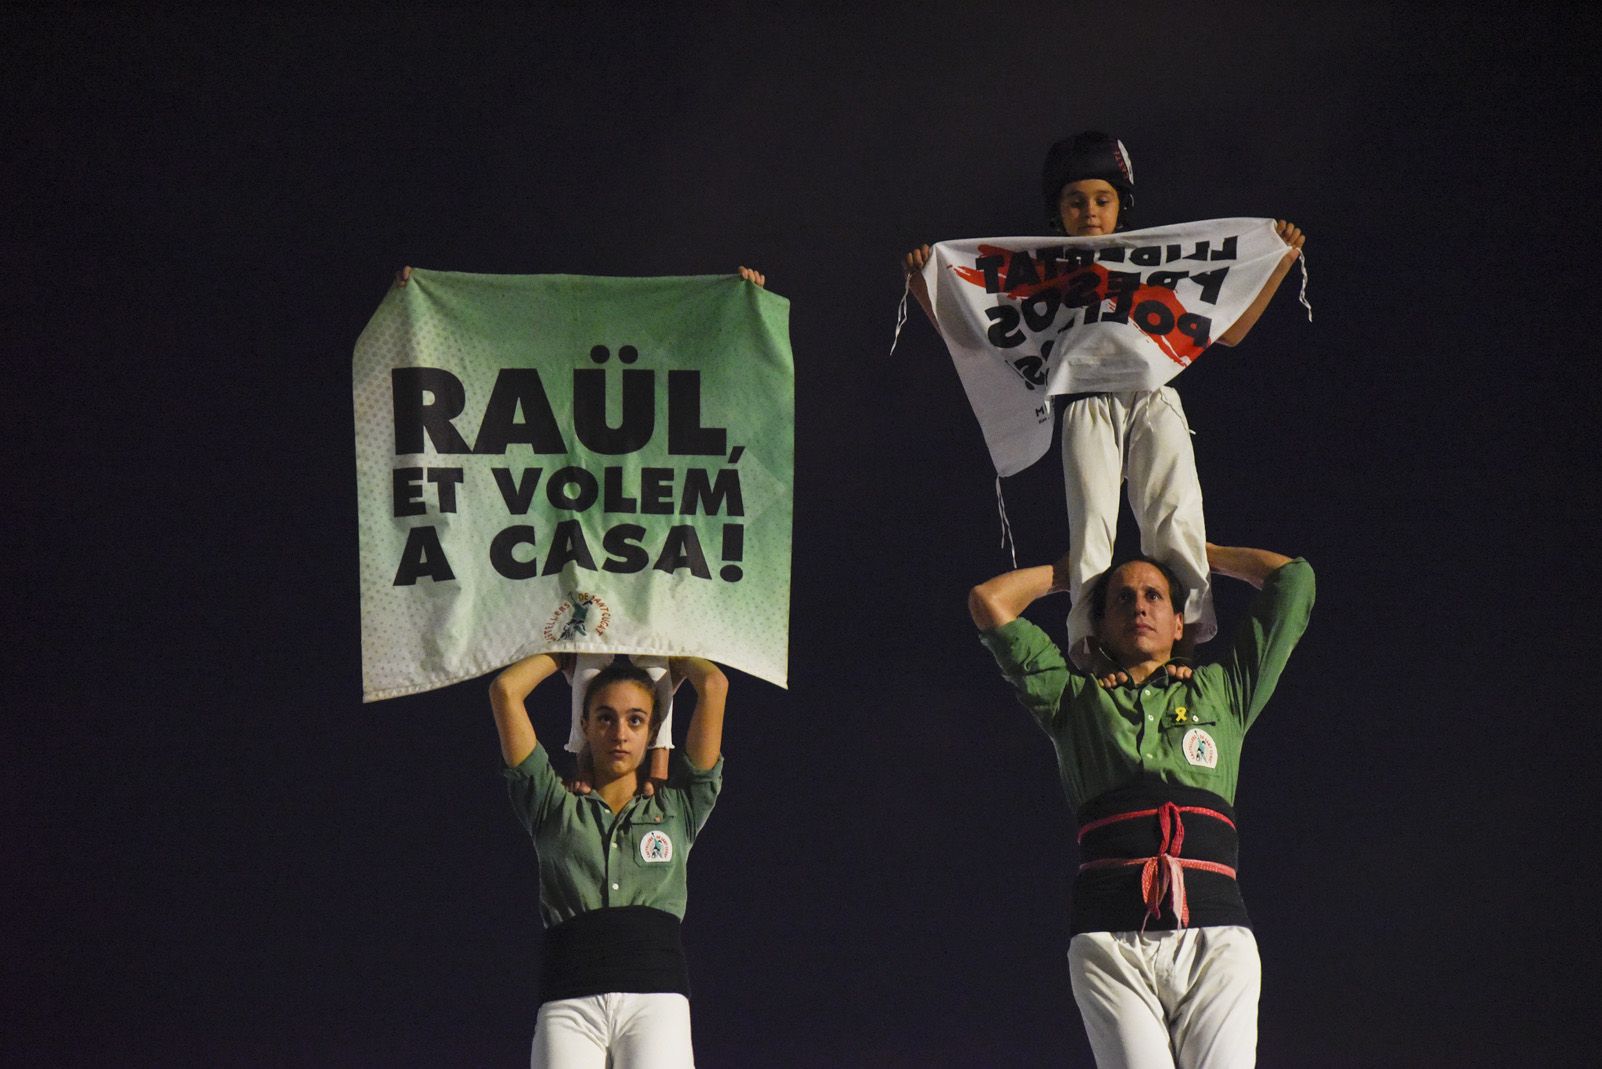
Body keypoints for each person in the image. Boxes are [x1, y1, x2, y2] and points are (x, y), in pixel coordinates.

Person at [905, 132, 1305, 670]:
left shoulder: (1147, 267)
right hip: (1086, 404)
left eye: (1102, 199)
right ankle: (1091, 652)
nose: (1089, 212)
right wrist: (926, 288)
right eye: (1075, 201)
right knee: (1091, 528)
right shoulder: (1045, 278)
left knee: (1176, 520)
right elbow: (985, 341)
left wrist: (1280, 260)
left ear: (1122, 207)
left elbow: (1227, 332)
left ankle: (1181, 647)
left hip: (1153, 395)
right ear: (1058, 213)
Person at [968, 543, 1314, 1068]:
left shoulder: (1220, 692)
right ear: (1100, 627)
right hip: (1109, 939)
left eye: (1155, 595)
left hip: (1214, 935)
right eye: (1121, 599)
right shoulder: (1075, 701)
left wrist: (1200, 553)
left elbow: (1294, 581)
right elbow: (990, 602)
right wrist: (1073, 574)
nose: (1139, 606)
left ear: (1180, 623)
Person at [489, 651, 729, 1069]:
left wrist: (668, 650)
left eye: (635, 720)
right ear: (584, 726)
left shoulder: (678, 808)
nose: (620, 732)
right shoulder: (553, 805)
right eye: (605, 717)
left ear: (652, 730)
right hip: (568, 999)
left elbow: (713, 686)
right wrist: (565, 653)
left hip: (656, 1001)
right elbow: (505, 691)